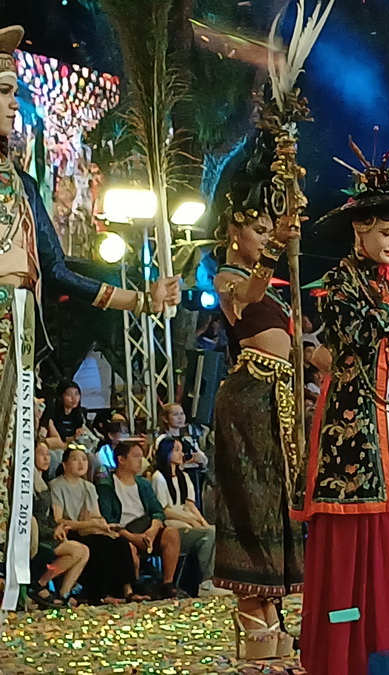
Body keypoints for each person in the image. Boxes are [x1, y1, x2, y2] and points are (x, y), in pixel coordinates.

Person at [0, 24, 180, 609]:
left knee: (10, 455)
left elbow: (56, 270)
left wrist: (138, 299)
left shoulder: (23, 186)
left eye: (13, 93)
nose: (11, 105)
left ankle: (10, 578)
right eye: (1, 92)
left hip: (17, 326)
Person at [299, 143, 389, 673]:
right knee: (354, 539)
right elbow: (357, 341)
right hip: (353, 431)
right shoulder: (337, 284)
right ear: (359, 231)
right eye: (386, 232)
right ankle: (346, 654)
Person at [209, 131, 306, 659]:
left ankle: (271, 604)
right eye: (259, 229)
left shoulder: (276, 290)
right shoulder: (228, 276)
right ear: (235, 230)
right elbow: (248, 297)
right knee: (250, 497)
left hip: (280, 394)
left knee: (276, 500)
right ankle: (250, 609)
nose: (267, 236)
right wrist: (274, 250)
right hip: (249, 394)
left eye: (271, 229)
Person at [95, 439, 186, 599]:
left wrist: (152, 530)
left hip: (146, 527)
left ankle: (168, 584)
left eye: (141, 456)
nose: (140, 461)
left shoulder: (143, 484)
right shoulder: (106, 485)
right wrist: (132, 537)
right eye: (136, 456)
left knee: (171, 533)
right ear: (121, 459)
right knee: (127, 548)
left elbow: (157, 511)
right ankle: (134, 588)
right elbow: (109, 519)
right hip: (124, 531)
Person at [49, 448, 139, 604]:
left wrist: (105, 527)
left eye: (84, 459)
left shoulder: (89, 486)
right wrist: (90, 524)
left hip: (88, 530)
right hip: (70, 531)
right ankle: (100, 594)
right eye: (75, 459)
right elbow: (59, 519)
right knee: (103, 545)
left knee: (120, 541)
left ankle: (127, 591)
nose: (81, 463)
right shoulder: (57, 485)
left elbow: (96, 516)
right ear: (65, 464)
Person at [150, 436, 228, 597]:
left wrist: (203, 523)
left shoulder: (184, 477)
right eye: (176, 450)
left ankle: (214, 579)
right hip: (172, 524)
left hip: (187, 521)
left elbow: (191, 505)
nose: (181, 454)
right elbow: (165, 510)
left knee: (212, 531)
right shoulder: (158, 477)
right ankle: (206, 581)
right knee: (207, 534)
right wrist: (190, 520)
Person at [28, 442, 90, 609]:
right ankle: (39, 584)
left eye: (48, 454)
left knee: (83, 551)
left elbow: (48, 516)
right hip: (36, 534)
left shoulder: (43, 481)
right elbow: (33, 517)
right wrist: (52, 530)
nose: (46, 457)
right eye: (41, 453)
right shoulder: (28, 485)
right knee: (78, 551)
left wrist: (58, 527)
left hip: (47, 530)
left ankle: (64, 593)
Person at [159, 404, 210, 515]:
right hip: (174, 480)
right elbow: (164, 462)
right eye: (175, 414)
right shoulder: (163, 441)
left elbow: (203, 458)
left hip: (194, 479)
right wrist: (189, 462)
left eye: (182, 414)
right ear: (165, 418)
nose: (180, 417)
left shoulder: (188, 440)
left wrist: (201, 460)